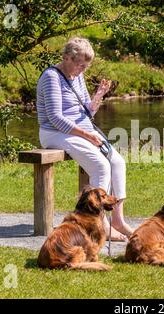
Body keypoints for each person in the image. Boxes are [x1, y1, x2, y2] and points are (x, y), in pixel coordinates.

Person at [36, 37, 133, 241]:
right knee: (101, 166)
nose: (82, 70)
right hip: (55, 132)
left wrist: (99, 95)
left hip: (81, 130)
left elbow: (87, 112)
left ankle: (118, 220)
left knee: (117, 162)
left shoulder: (77, 76)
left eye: (85, 66)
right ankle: (101, 224)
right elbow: (55, 117)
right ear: (66, 58)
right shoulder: (51, 77)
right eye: (80, 65)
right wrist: (87, 135)